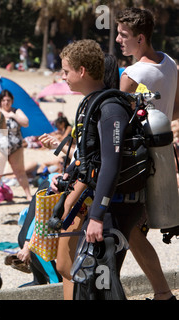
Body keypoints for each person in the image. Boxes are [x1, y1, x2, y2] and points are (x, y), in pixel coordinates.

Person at [51, 39, 145, 299]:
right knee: (91, 280)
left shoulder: (110, 108)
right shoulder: (92, 104)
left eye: (66, 71)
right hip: (105, 204)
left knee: (101, 284)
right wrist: (68, 174)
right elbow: (89, 155)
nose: (63, 77)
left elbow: (111, 165)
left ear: (82, 71)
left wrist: (96, 216)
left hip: (115, 206)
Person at [116, 7, 178, 300]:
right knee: (132, 230)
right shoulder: (170, 63)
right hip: (164, 155)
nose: (117, 39)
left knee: (127, 228)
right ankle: (161, 293)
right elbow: (176, 109)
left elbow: (116, 122)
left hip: (137, 163)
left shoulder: (132, 74)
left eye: (123, 35)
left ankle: (163, 293)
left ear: (140, 38)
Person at [0, 89, 32, 202]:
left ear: (12, 101)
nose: (6, 102)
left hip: (16, 146)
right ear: (0, 101)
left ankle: (28, 195)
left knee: (20, 172)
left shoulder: (16, 111)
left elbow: (26, 122)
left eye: (8, 100)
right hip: (0, 147)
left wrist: (13, 115)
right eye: (3, 100)